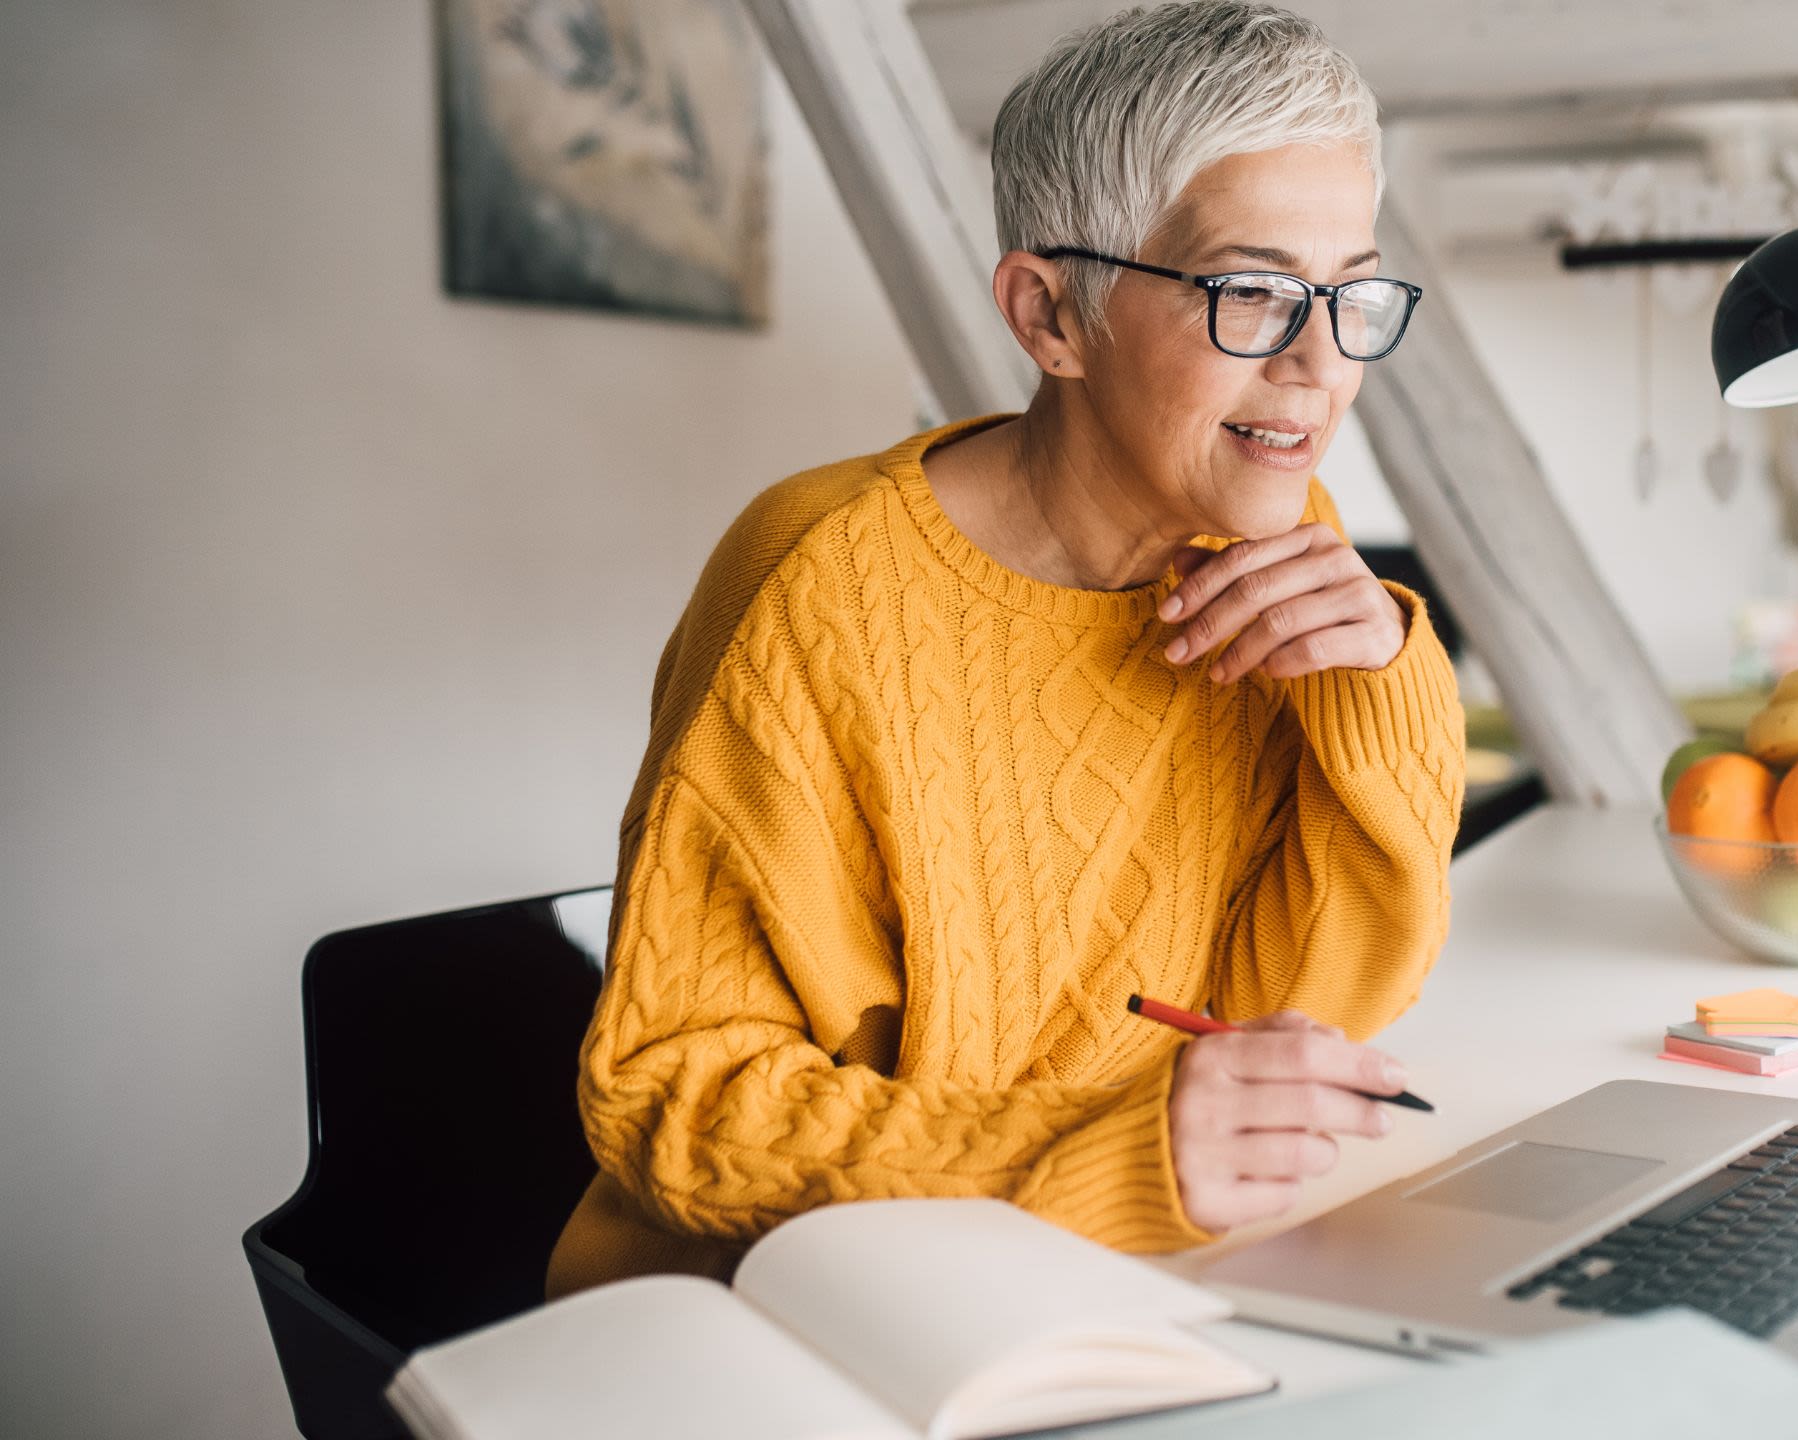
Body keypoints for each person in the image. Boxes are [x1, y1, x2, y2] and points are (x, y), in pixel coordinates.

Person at [545, 0, 1465, 1298]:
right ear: (1050, 318)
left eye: (1351, 292)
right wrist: (1094, 1156)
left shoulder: (1265, 545)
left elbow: (1312, 1009)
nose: (1322, 364)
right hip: (768, 1309)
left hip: (1097, 1274)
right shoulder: (820, 581)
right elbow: (677, 1102)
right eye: (1252, 292)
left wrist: (1385, 686)